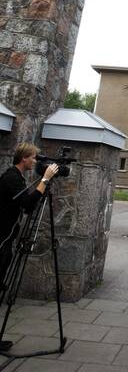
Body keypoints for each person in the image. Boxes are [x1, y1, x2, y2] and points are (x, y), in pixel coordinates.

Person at [0, 143, 58, 352]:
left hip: (6, 238)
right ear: (24, 158)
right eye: (33, 157)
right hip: (2, 239)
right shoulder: (11, 178)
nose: (35, 161)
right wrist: (45, 180)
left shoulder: (16, 176)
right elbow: (28, 204)